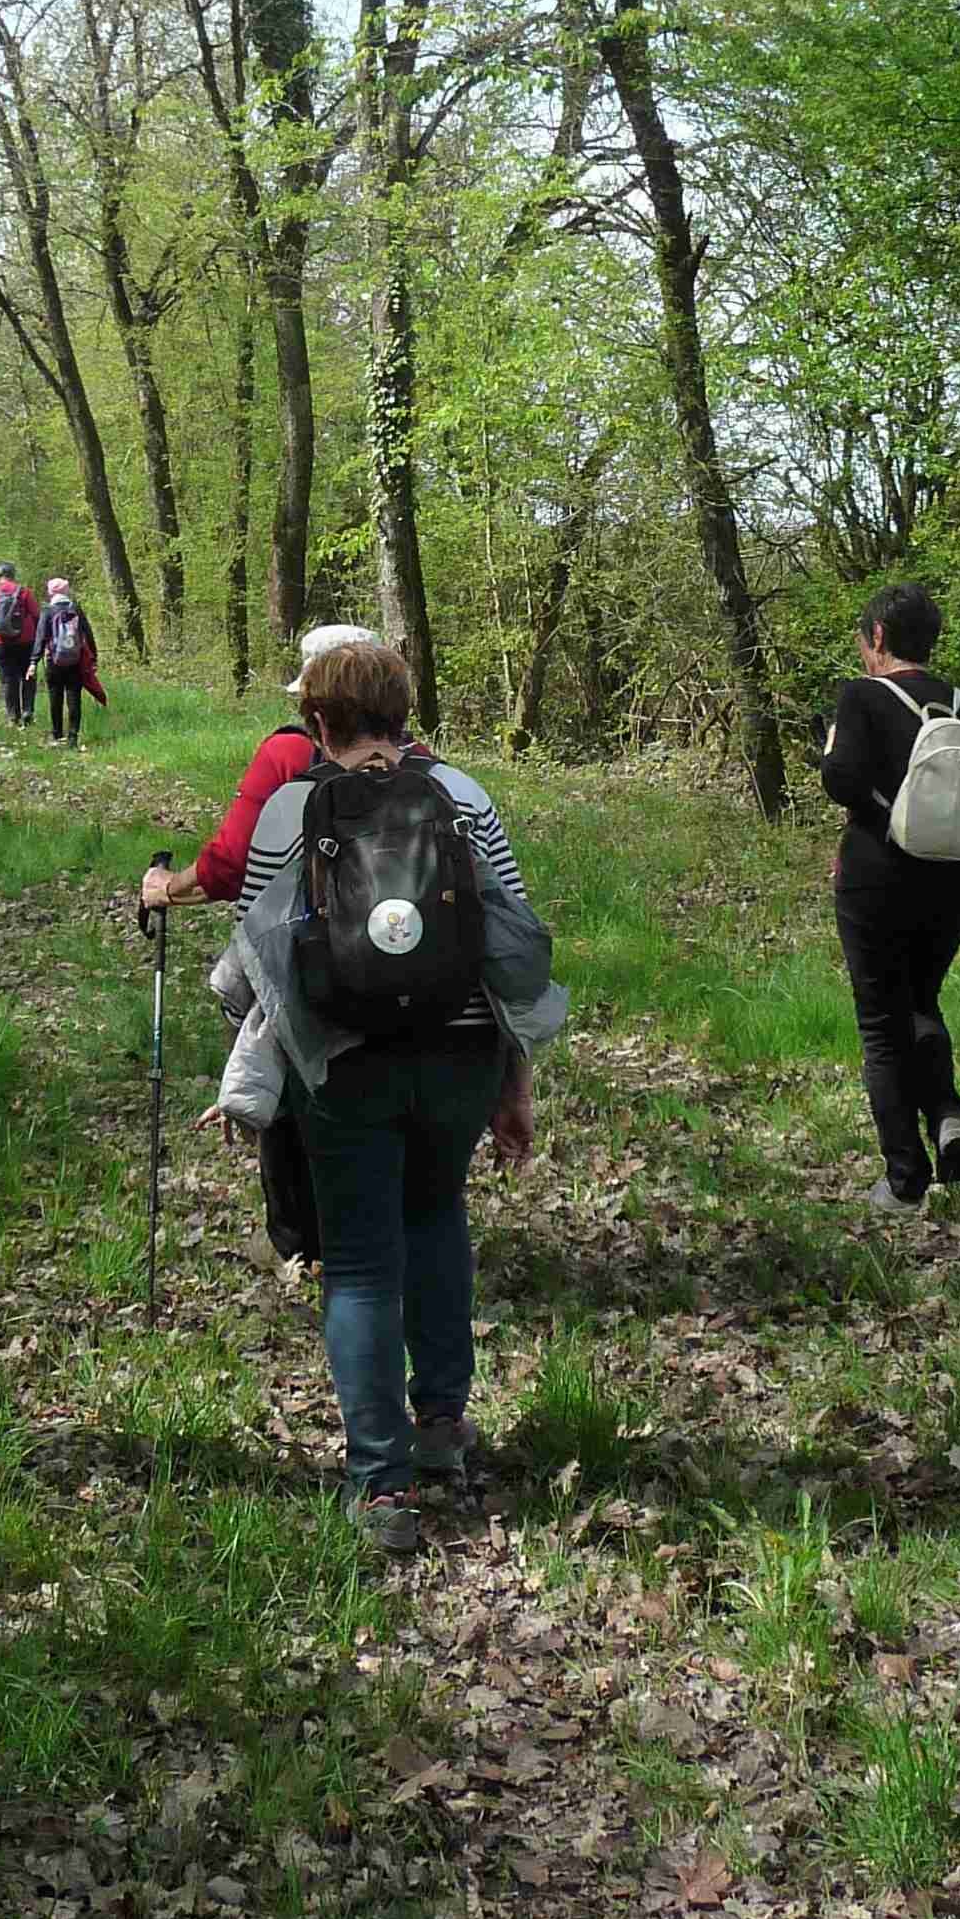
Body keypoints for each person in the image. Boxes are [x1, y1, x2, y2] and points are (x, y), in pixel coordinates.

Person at [196, 638, 545, 1557]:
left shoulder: (290, 808)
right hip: (460, 1056)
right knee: (435, 1217)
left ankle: (383, 1487)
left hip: (345, 1064)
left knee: (357, 1263)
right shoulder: (463, 799)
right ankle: (443, 1427)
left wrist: (246, 1080)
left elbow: (258, 964)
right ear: (404, 710)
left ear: (317, 720)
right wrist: (515, 1082)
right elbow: (508, 952)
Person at [139, 625, 390, 1266]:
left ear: (313, 701)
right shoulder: (417, 761)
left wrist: (170, 887)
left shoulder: (285, 756)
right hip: (396, 962)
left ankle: (298, 1241)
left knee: (278, 1061)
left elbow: (229, 868)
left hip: (306, 960)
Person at [819, 582, 960, 1210]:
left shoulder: (862, 696)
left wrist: (875, 799)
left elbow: (840, 779)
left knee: (880, 1021)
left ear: (877, 638)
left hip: (877, 873)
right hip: (953, 878)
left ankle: (905, 1180)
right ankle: (948, 1114)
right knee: (922, 998)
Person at [31, 576, 98, 745]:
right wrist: (94, 658)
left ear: (50, 593)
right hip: (75, 659)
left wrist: (34, 661)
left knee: (55, 696)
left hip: (54, 660)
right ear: (66, 591)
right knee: (74, 696)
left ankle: (57, 734)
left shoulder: (47, 611)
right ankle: (73, 736)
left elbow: (40, 638)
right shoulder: (75, 609)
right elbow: (88, 634)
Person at [0, 563, 40, 725]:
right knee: (28, 676)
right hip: (26, 641)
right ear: (13, 574)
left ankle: (12, 716)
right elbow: (36, 615)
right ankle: (27, 711)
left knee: (8, 679)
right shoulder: (24, 592)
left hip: (0, 643)